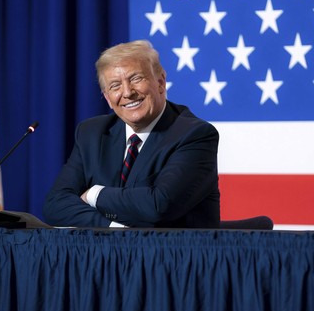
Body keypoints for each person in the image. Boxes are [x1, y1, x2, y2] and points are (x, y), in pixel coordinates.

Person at [43, 40, 220, 228]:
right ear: (107, 98)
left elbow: (159, 205)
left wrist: (94, 194)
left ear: (160, 83)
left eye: (136, 79)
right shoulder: (92, 133)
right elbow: (55, 205)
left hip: (173, 254)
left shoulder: (194, 134)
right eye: (115, 86)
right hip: (109, 254)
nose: (127, 92)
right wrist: (111, 227)